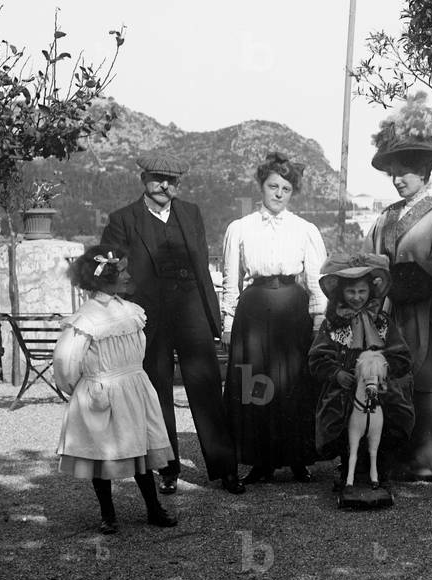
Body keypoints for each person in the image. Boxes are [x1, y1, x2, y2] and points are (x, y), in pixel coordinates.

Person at [100, 152, 244, 495]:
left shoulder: (190, 212)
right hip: (148, 320)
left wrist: (216, 318)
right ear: (144, 180)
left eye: (172, 180)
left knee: (207, 388)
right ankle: (167, 468)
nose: (165, 186)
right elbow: (111, 272)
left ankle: (225, 468)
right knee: (157, 393)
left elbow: (201, 268)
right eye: (158, 179)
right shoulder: (123, 219)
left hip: (191, 311)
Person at [365, 94, 432, 479]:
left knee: (425, 377)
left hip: (427, 317)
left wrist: (402, 277)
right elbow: (370, 262)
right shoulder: (384, 217)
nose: (397, 179)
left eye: (406, 171)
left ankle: (431, 459)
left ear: (425, 172)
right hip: (391, 314)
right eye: (393, 171)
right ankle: (393, 456)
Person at [53, 246, 178, 534]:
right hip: (101, 391)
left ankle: (153, 508)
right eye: (122, 271)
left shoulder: (131, 311)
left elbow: (139, 350)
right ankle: (108, 514)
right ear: (105, 278)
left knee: (140, 450)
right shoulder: (86, 319)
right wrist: (79, 387)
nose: (128, 275)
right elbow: (65, 359)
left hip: (132, 387)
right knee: (100, 453)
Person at [220, 152, 327, 484]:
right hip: (254, 313)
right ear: (261, 187)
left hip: (293, 311)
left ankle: (297, 458)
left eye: (286, 188)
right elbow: (230, 279)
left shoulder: (305, 229)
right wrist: (228, 322)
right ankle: (260, 460)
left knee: (294, 384)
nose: (279, 193)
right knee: (256, 384)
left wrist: (318, 318)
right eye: (273, 186)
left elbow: (315, 278)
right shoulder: (240, 228)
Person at [308, 253, 414, 486]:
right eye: (351, 292)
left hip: (379, 385)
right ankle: (348, 467)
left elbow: (401, 356)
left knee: (394, 411)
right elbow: (317, 358)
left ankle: (381, 469)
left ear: (371, 292)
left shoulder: (382, 321)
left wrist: (384, 369)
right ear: (341, 294)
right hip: (346, 387)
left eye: (362, 292)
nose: (357, 298)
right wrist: (336, 373)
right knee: (338, 415)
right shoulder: (333, 324)